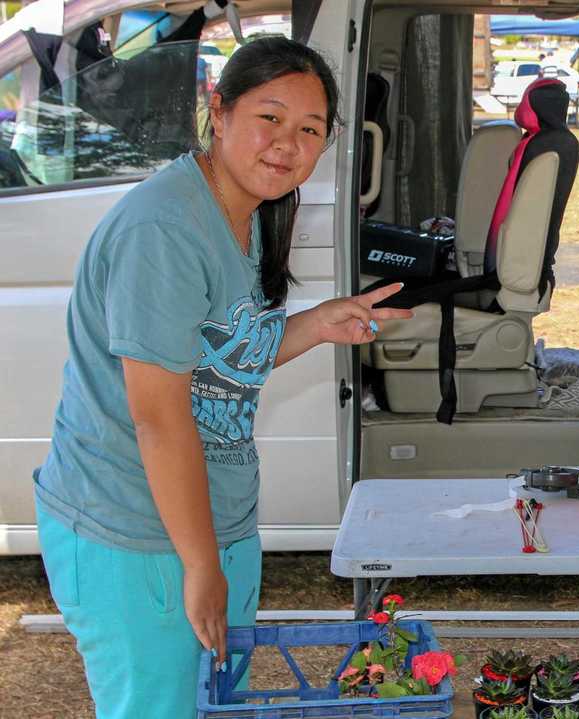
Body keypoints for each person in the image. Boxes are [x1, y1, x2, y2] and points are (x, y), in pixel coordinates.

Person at [32, 37, 412, 719]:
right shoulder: (165, 230)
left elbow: (225, 353)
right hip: (139, 536)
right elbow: (157, 416)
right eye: (269, 117)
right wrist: (201, 565)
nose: (287, 143)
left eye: (309, 130)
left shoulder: (251, 211)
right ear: (219, 111)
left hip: (214, 524)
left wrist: (319, 322)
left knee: (213, 706)